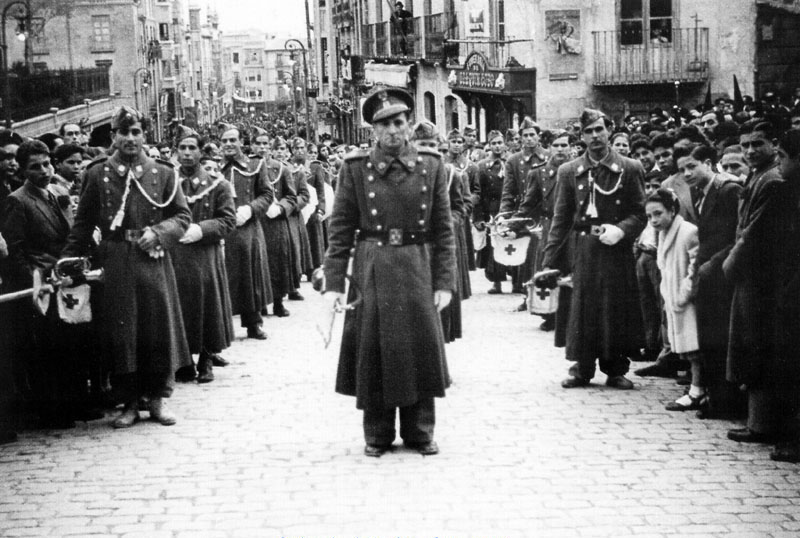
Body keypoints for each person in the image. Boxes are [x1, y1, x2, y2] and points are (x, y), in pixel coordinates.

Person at [322, 87, 456, 457]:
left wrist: (445, 282)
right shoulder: (354, 168)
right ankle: (377, 433)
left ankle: (420, 431)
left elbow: (444, 229)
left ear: (409, 124)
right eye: (384, 124)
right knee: (374, 349)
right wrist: (333, 285)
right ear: (373, 130)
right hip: (372, 267)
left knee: (419, 349)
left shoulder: (431, 164)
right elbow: (341, 229)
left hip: (417, 264)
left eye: (398, 122)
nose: (393, 131)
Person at [62, 106, 192, 428]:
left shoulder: (164, 173)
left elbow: (183, 217)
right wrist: (64, 262)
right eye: (124, 132)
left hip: (153, 260)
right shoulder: (96, 174)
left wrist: (159, 233)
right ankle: (130, 403)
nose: (130, 138)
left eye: (136, 132)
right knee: (123, 334)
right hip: (115, 258)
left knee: (156, 330)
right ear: (114, 136)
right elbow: (82, 225)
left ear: (144, 135)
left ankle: (158, 401)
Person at [541, 108, 646, 389]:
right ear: (582, 136)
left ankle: (616, 368)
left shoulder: (629, 167)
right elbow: (561, 219)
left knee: (614, 307)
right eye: (589, 131)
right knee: (582, 307)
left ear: (610, 130)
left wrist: (622, 230)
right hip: (583, 249)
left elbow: (640, 212)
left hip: (615, 248)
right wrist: (550, 260)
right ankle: (582, 368)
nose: (595, 135)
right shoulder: (569, 171)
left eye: (600, 129)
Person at [723, 121, 798, 447]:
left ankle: (762, 424)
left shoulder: (772, 180)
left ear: (773, 145)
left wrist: (729, 264)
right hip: (750, 275)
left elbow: (753, 232)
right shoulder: (759, 175)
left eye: (758, 144)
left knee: (757, 345)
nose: (751, 150)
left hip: (760, 276)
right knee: (749, 344)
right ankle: (757, 421)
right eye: (745, 145)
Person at [675, 144, 744, 418]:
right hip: (706, 276)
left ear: (708, 163)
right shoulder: (698, 192)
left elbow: (736, 235)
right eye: (682, 170)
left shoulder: (728, 190)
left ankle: (725, 402)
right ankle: (714, 398)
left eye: (692, 166)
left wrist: (712, 265)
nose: (687, 173)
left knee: (719, 339)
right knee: (709, 339)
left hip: (721, 276)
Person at [172, 128, 236, 384]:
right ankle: (184, 360)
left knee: (207, 306)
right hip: (175, 254)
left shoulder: (217, 184)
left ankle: (206, 359)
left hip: (204, 255)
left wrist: (202, 229)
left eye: (192, 148)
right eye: (182, 148)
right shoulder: (167, 182)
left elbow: (228, 220)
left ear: (201, 151)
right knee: (180, 306)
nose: (187, 153)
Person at [645, 188, 703, 411]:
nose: (654, 220)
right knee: (686, 348)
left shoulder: (688, 231)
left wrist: (684, 295)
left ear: (671, 210)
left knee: (694, 347)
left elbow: (694, 267)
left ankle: (697, 390)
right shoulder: (663, 234)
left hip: (687, 299)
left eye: (658, 213)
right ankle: (695, 387)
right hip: (673, 296)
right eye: (649, 216)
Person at [219, 125, 274, 339]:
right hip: (223, 230)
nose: (229, 144)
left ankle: (253, 323)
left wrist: (250, 209)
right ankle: (223, 327)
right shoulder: (215, 168)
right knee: (224, 277)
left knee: (249, 276)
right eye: (224, 141)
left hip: (247, 228)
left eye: (233, 140)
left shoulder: (255, 165)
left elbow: (267, 195)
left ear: (242, 142)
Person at [475, 130, 510, 294]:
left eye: (500, 143)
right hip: (491, 210)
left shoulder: (511, 162)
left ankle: (517, 282)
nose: (497, 146)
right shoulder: (482, 166)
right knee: (493, 247)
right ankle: (497, 282)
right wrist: (479, 217)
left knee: (512, 243)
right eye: (494, 143)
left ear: (504, 144)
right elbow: (478, 193)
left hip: (509, 209)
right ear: (489, 145)